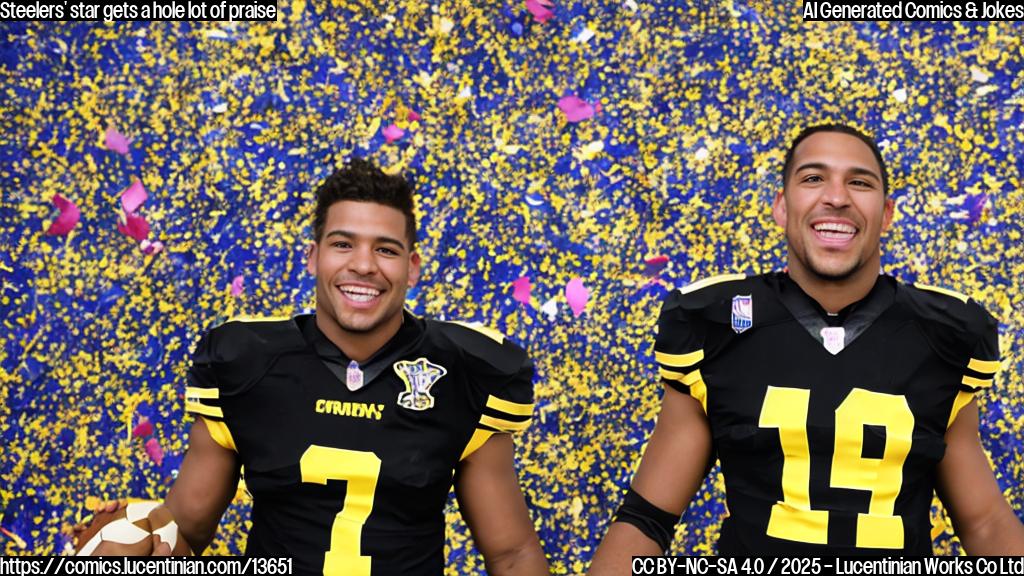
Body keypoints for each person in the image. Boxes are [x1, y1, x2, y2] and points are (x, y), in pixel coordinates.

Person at [589, 124, 1024, 567]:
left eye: (859, 182)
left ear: (887, 213)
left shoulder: (942, 334)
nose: (837, 196)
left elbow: (985, 522)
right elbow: (647, 518)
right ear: (781, 206)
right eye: (813, 178)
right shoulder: (718, 327)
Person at [89, 158, 550, 575]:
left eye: (386, 250)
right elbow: (186, 531)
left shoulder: (465, 371)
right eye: (343, 244)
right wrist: (138, 533)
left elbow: (511, 554)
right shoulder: (248, 361)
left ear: (412, 268)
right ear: (314, 257)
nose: (364, 265)